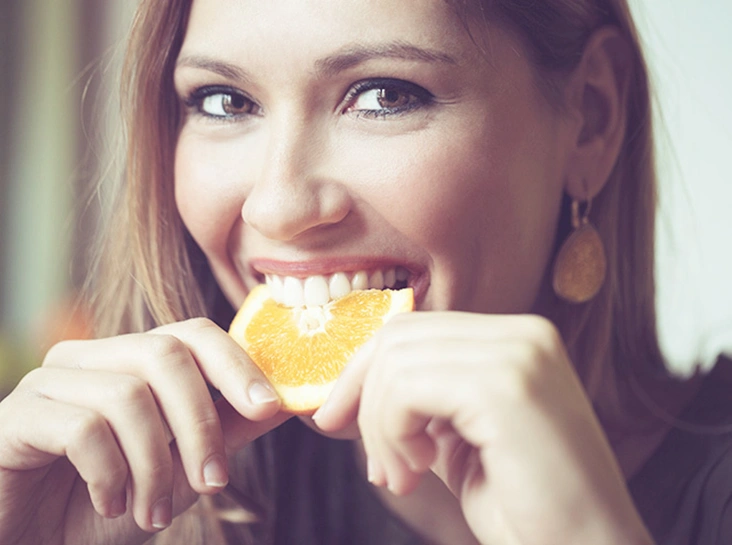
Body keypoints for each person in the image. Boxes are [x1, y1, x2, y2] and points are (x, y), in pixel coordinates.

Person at [0, 0, 730, 543]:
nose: (279, 205)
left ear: (592, 117)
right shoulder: (150, 502)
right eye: (225, 102)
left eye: (385, 95)